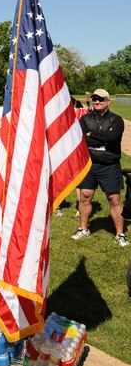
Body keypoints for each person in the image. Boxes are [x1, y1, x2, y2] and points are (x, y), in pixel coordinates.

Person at [72, 88, 129, 247]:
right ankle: (83, 229)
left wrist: (91, 135)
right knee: (84, 196)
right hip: (89, 165)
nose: (97, 102)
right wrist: (99, 138)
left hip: (109, 165)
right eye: (95, 99)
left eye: (101, 99)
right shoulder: (84, 119)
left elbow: (112, 138)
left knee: (114, 200)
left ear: (107, 101)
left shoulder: (116, 120)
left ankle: (120, 234)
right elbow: (81, 139)